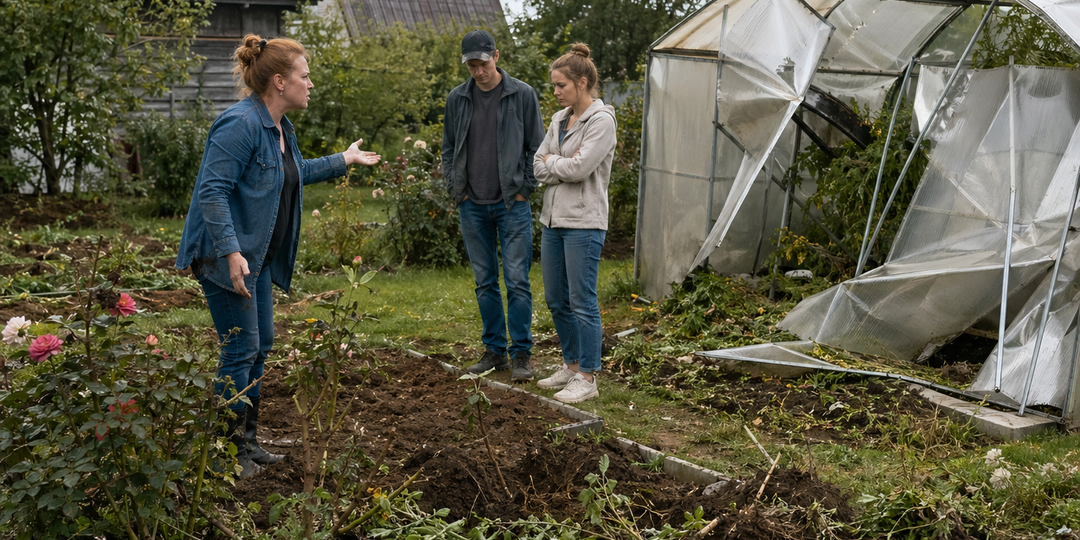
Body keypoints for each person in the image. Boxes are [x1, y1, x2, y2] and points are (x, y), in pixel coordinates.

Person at [175, 34, 380, 478]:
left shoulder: (279, 127)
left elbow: (295, 173)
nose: (311, 84)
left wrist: (343, 160)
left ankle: (246, 444)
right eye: (306, 77)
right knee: (241, 349)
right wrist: (231, 252)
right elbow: (212, 192)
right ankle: (225, 454)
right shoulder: (241, 124)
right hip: (225, 257)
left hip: (257, 257)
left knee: (260, 346)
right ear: (280, 82)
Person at [442, 29, 546, 382]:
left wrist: (524, 189)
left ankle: (521, 355)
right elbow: (448, 147)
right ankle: (494, 352)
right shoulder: (458, 99)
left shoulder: (521, 95)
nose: (477, 71)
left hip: (511, 203)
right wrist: (458, 190)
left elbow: (538, 147)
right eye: (470, 64)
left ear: (496, 56)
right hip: (472, 204)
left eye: (482, 63)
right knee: (484, 281)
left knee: (517, 280)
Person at [532, 44, 617, 404]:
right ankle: (570, 365)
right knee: (556, 298)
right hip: (553, 220)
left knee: (582, 300)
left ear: (582, 83)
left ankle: (588, 376)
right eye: (554, 85)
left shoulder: (601, 121)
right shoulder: (558, 119)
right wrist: (556, 163)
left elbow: (580, 169)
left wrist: (555, 162)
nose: (555, 92)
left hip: (584, 222)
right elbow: (537, 164)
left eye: (561, 85)